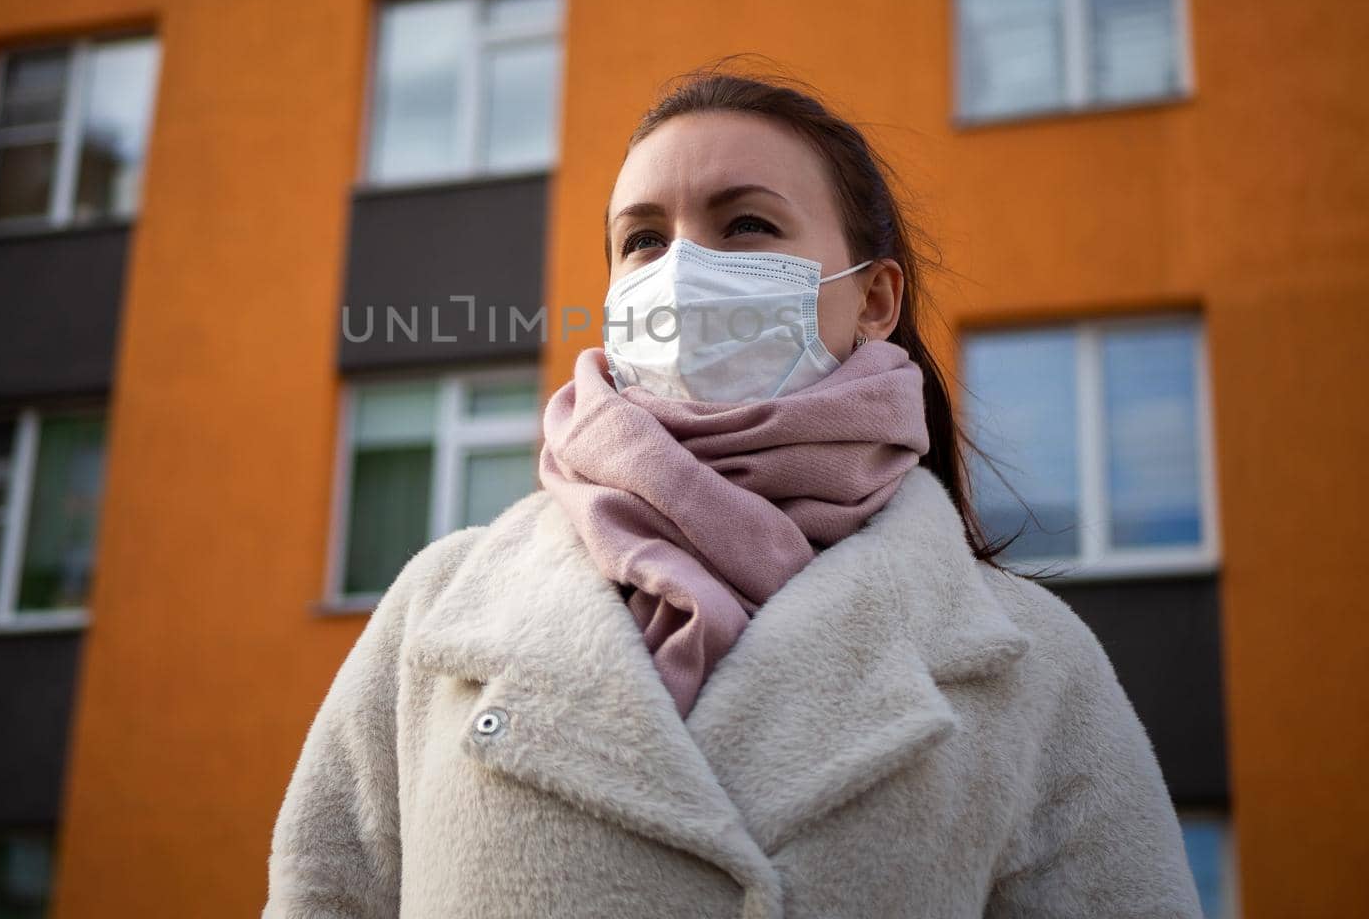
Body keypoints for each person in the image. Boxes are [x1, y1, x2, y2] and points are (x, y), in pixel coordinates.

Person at [262, 66, 1203, 918]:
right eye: (641, 239)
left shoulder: (1032, 663)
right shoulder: (436, 612)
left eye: (745, 224)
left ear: (874, 300)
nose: (680, 269)